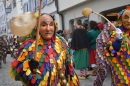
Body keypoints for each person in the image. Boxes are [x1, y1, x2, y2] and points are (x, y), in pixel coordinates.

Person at [9, 13, 80, 86]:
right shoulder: (28, 46)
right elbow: (17, 72)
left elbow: (70, 69)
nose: (48, 29)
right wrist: (28, 65)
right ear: (37, 27)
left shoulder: (62, 42)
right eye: (43, 25)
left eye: (51, 24)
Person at [94, 6, 130, 86]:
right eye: (126, 18)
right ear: (121, 19)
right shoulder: (115, 34)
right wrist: (119, 39)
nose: (129, 21)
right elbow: (113, 49)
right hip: (122, 75)